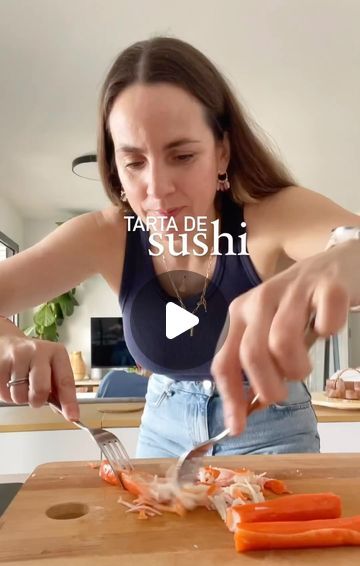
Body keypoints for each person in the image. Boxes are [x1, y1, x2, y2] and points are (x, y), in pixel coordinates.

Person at [0, 37, 359, 458]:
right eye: (134, 162)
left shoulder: (271, 215)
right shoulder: (105, 235)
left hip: (271, 423)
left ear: (222, 153)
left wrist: (340, 260)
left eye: (183, 156)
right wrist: (8, 342)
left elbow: (351, 242)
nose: (157, 189)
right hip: (162, 428)